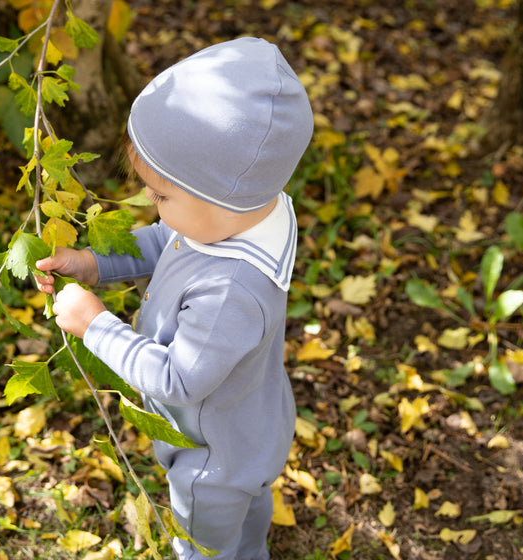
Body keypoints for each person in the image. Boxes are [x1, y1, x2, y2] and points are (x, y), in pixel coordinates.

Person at [34, 37, 313, 560]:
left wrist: (95, 325)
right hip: (251, 423)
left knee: (204, 546)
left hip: (212, 459)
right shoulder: (249, 216)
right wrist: (97, 263)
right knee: (247, 514)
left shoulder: (231, 289)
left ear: (220, 198)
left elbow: (178, 379)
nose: (153, 208)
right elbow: (170, 240)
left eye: (161, 196)